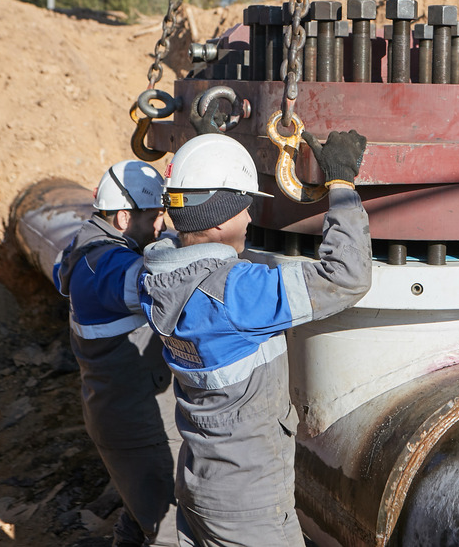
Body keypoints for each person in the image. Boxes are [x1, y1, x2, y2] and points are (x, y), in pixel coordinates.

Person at [140, 129, 371, 547]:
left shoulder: (155, 275)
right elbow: (347, 277)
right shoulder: (237, 294)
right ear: (220, 217)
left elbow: (188, 244)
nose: (250, 219)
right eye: (244, 208)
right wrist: (341, 185)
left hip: (199, 483)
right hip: (247, 506)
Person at [53, 160, 185, 547]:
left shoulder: (89, 246)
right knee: (170, 533)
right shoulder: (104, 266)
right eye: (155, 216)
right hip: (136, 426)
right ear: (124, 217)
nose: (160, 225)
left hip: (127, 415)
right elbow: (159, 285)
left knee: (139, 513)